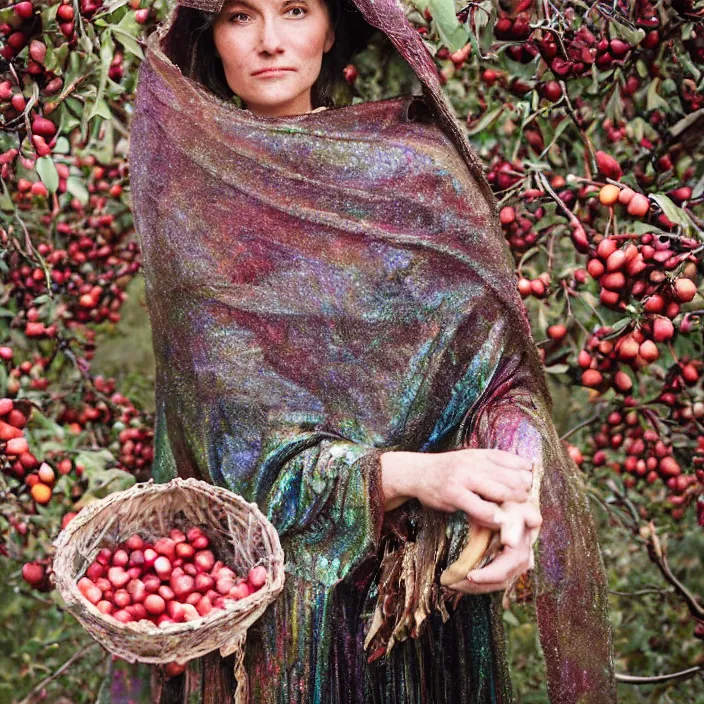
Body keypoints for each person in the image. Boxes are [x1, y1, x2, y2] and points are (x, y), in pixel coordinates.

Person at [128, 0, 617, 701]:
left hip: (419, 598)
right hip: (279, 614)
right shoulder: (193, 209)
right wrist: (408, 474)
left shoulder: (414, 171)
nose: (270, 41)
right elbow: (230, 450)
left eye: (295, 10)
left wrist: (518, 483)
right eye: (241, 15)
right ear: (212, 34)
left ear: (334, 29)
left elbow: (498, 382)